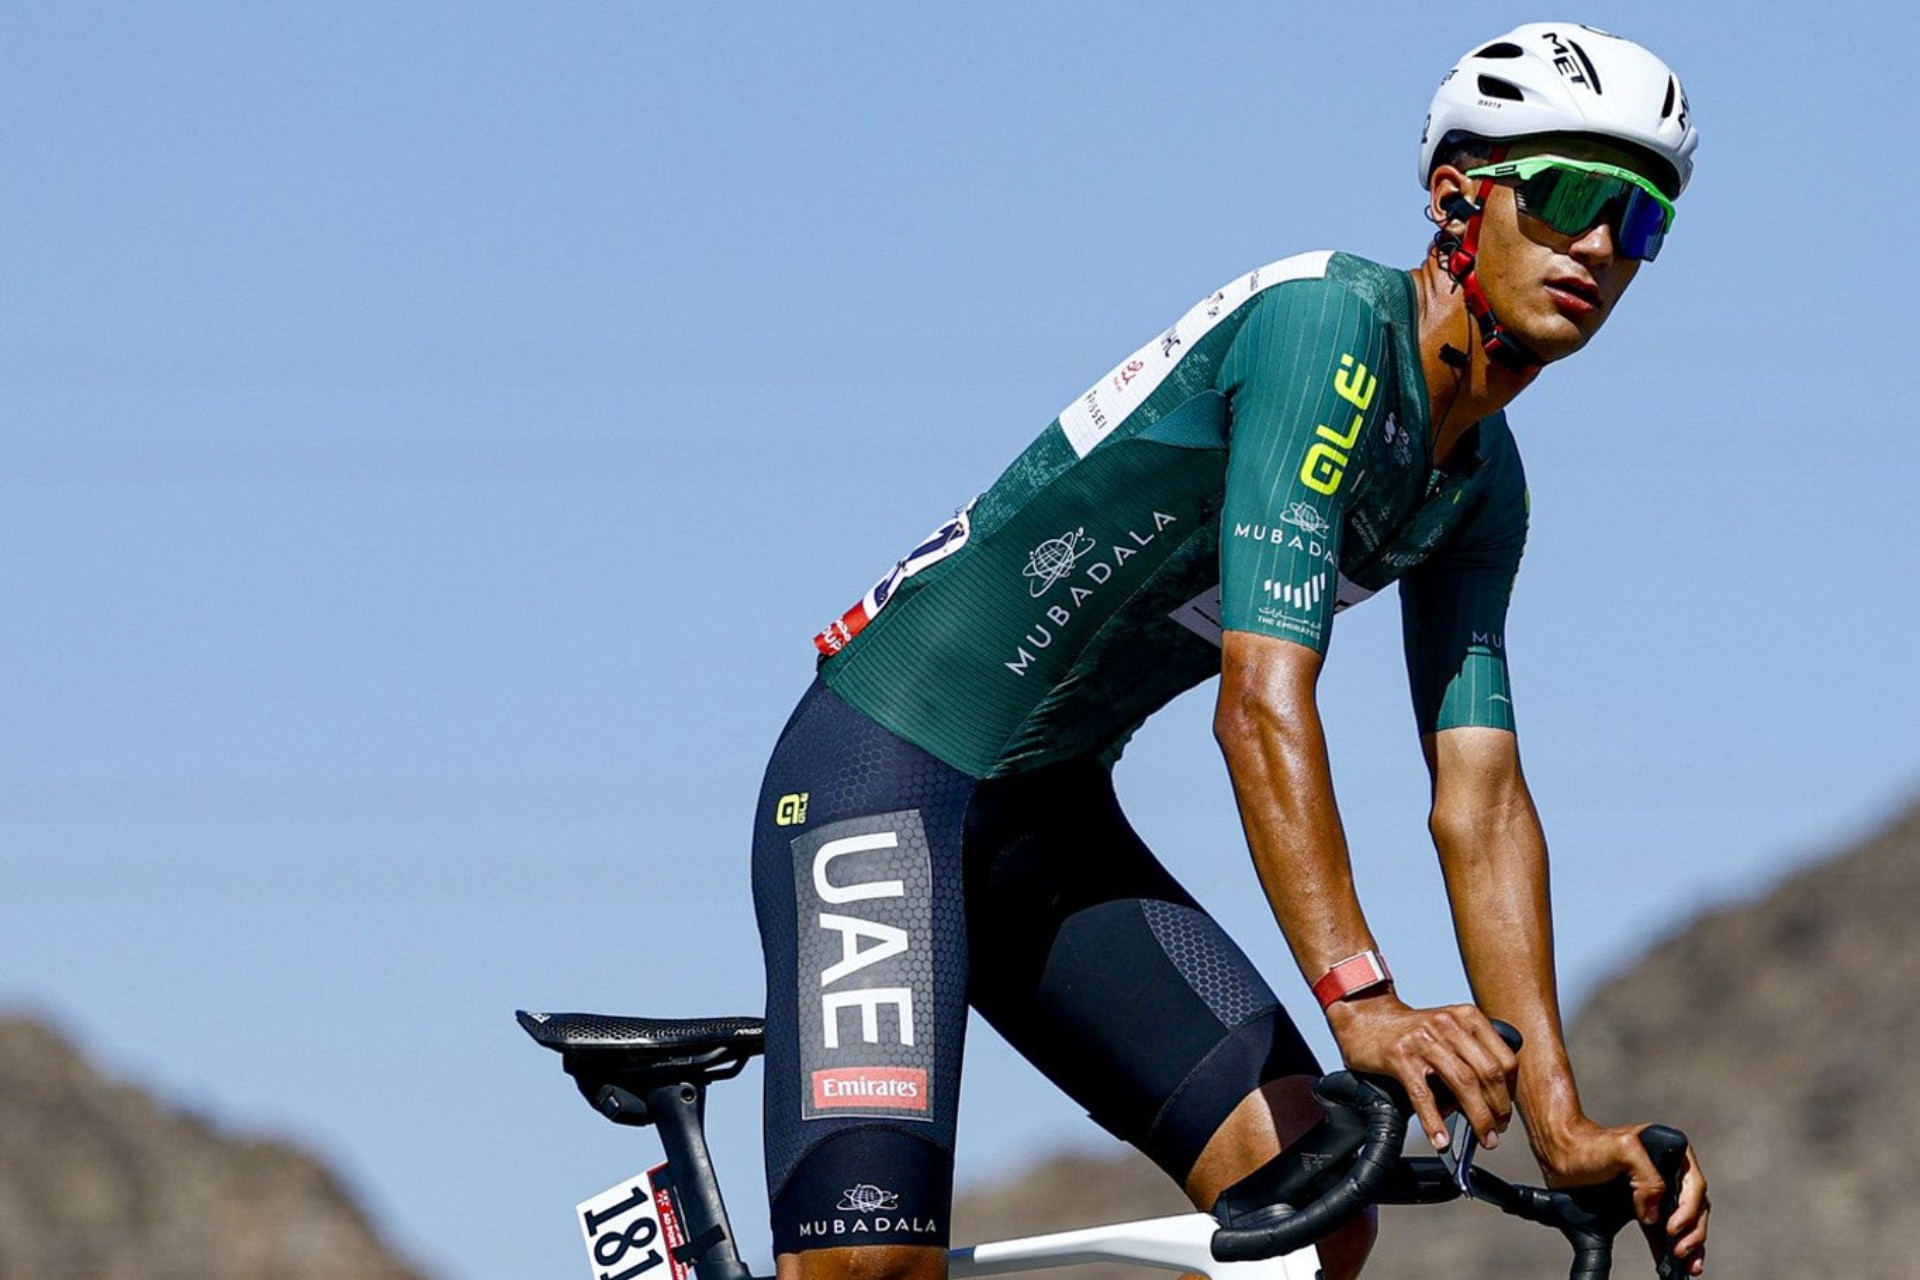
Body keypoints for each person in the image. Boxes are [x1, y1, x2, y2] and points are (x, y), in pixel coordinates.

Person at [750, 23, 1712, 1280]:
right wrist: (1362, 999)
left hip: (1045, 823)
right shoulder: (1330, 329)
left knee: (1313, 1215)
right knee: (871, 1271)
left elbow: (1480, 801)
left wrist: (1563, 1124)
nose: (1598, 245)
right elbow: (1261, 703)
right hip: (887, 770)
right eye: (1569, 194)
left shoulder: (1483, 485)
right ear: (1455, 200)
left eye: (1640, 221)